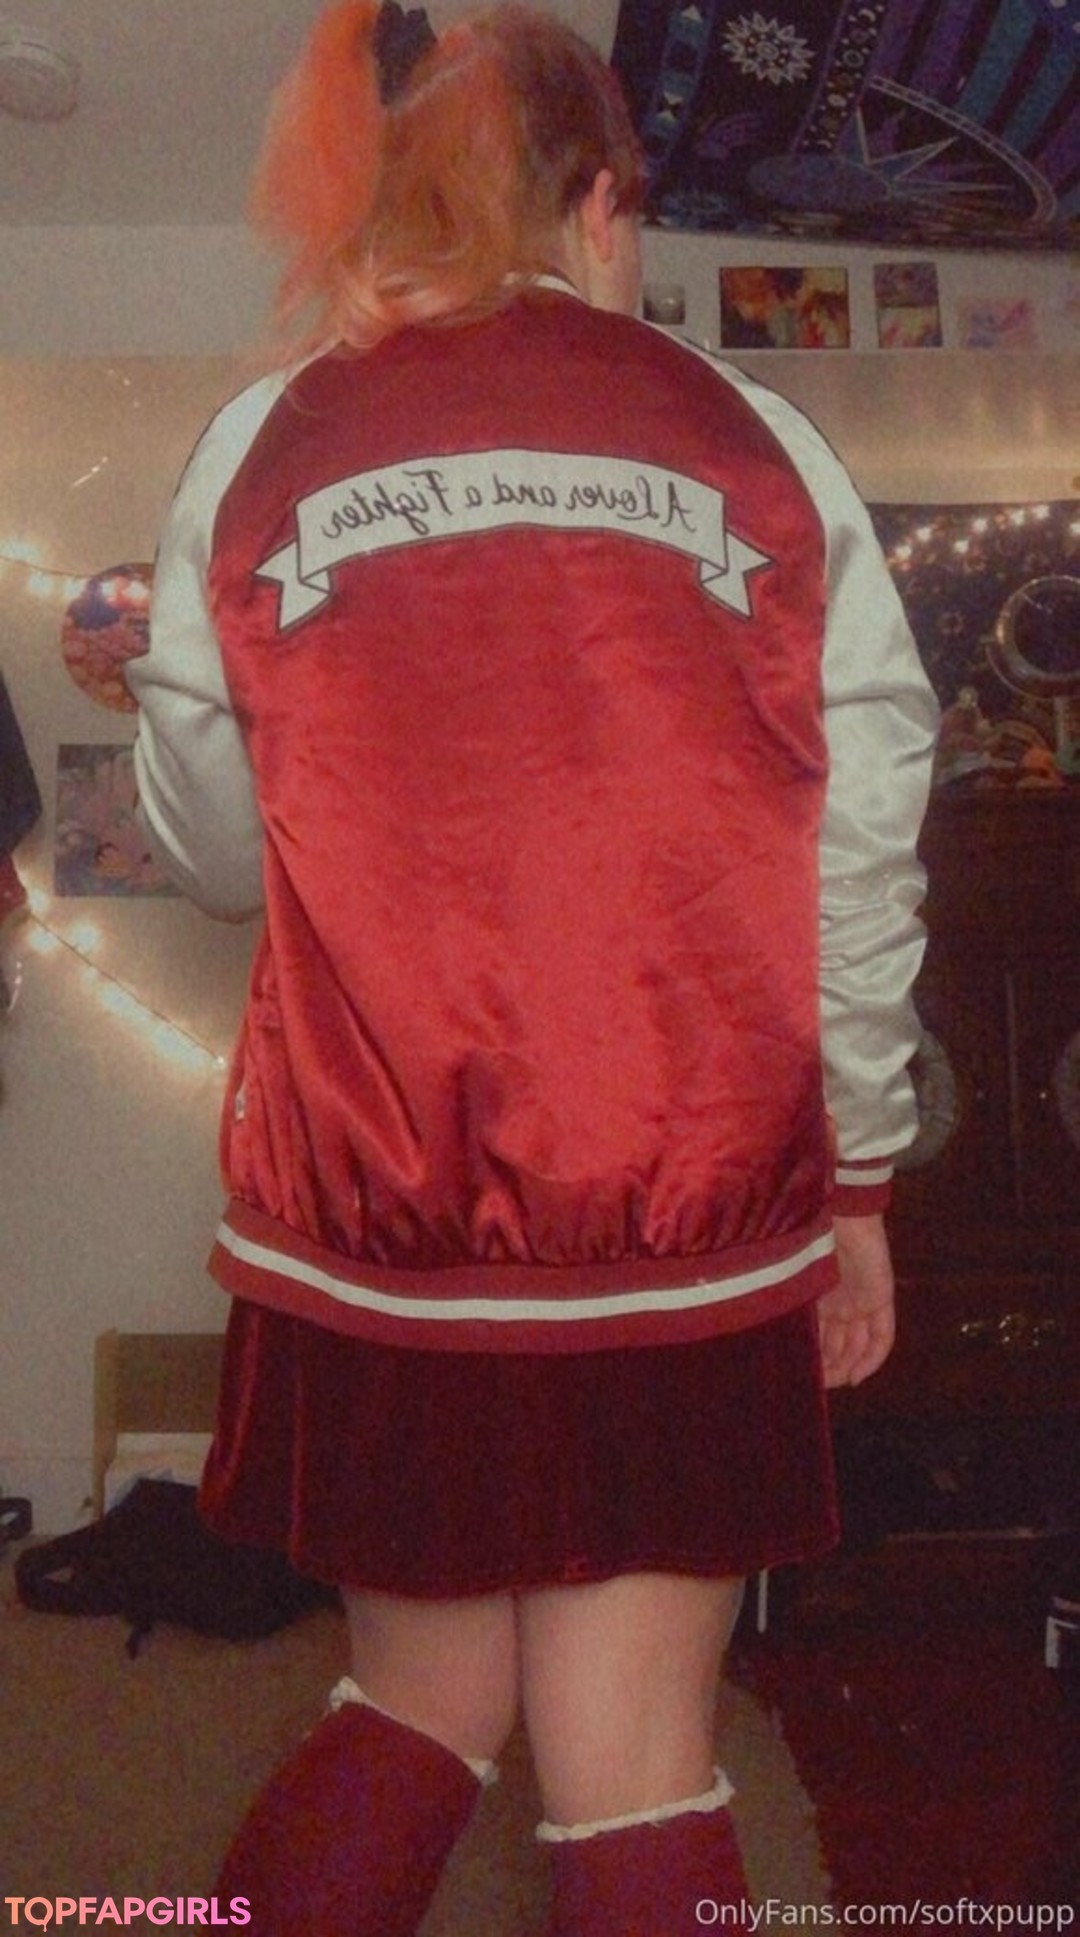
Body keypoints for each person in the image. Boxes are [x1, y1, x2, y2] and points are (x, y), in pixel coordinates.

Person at [129, 4, 938, 1931]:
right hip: (686, 1212)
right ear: (602, 204)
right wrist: (862, 1178)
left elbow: (217, 858)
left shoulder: (258, 441)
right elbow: (857, 846)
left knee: (415, 1705)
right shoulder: (763, 444)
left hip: (378, 1218)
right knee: (635, 1760)